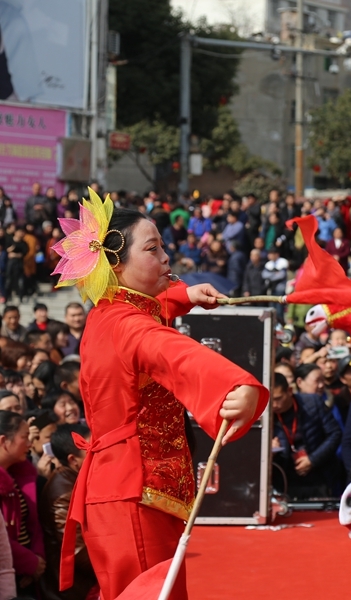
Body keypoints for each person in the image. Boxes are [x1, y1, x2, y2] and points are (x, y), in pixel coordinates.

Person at [51, 194, 268, 599]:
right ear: (115, 264)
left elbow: (150, 310)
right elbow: (172, 351)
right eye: (152, 249)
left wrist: (184, 296)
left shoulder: (109, 311)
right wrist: (235, 385)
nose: (167, 257)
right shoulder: (127, 325)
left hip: (125, 489)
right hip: (133, 491)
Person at [40, 423, 97, 600]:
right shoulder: (63, 492)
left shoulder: (78, 478)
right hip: (78, 589)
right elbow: (77, 551)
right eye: (91, 450)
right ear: (73, 460)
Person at [272, 371, 342, 500]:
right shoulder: (266, 415)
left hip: (318, 475)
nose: (274, 405)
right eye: (270, 400)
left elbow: (335, 433)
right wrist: (270, 451)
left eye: (278, 399)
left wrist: (312, 460)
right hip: (285, 479)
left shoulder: (312, 402)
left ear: (289, 391)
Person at [0, 410, 44, 593]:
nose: (29, 443)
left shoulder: (20, 475)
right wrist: (29, 562)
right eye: (24, 437)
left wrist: (38, 558)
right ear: (3, 441)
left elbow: (34, 524)